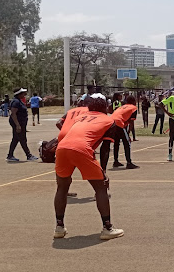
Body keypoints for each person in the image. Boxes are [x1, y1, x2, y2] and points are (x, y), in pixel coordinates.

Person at [53, 94, 124, 240]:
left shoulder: (80, 117)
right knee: (101, 187)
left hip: (62, 147)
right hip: (81, 148)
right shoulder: (109, 120)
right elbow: (105, 149)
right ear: (105, 107)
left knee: (62, 187)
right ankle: (108, 228)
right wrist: (103, 171)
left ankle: (59, 227)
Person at [7, 88, 38, 162]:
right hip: (18, 122)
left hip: (21, 122)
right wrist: (17, 125)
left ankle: (10, 155)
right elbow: (13, 113)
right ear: (19, 94)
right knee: (22, 139)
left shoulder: (19, 101)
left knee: (16, 139)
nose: (25, 94)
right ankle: (28, 155)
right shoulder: (16, 101)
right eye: (23, 93)